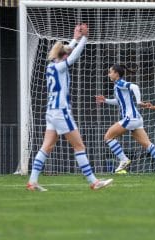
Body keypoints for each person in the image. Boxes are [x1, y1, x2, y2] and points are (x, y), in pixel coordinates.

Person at [27, 24, 113, 191]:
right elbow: (73, 56)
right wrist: (85, 39)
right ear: (64, 56)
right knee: (79, 146)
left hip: (51, 112)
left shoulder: (51, 65)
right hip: (61, 112)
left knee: (47, 146)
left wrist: (75, 38)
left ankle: (32, 181)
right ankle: (94, 182)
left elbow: (67, 51)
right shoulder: (61, 66)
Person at [95, 64, 155, 176]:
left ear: (116, 74)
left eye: (110, 72)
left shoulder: (120, 82)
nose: (109, 74)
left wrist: (139, 101)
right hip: (136, 118)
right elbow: (119, 101)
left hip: (130, 118)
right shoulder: (117, 85)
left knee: (108, 137)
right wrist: (105, 100)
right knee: (147, 144)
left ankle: (124, 160)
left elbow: (135, 87)